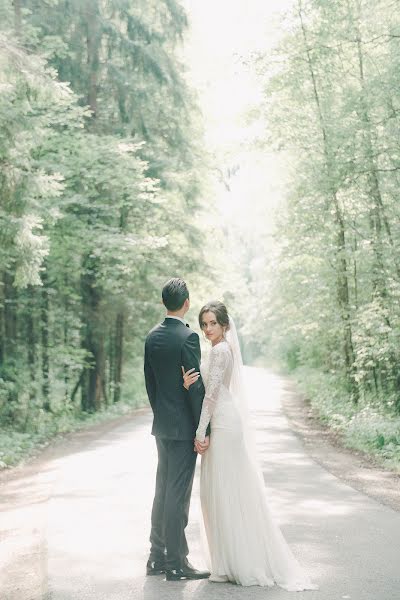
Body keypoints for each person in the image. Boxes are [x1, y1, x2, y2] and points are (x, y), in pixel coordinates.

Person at [182, 300, 318, 590]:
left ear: (225, 325)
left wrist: (200, 431)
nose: (207, 329)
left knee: (225, 489)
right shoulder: (220, 349)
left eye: (212, 324)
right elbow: (207, 390)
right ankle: (230, 559)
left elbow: (211, 396)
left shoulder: (220, 351)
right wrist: (190, 386)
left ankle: (240, 561)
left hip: (222, 423)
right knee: (224, 488)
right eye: (204, 324)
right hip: (223, 419)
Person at [144, 278, 210, 581]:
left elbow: (151, 385)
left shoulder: (152, 337)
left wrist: (162, 413)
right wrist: (202, 429)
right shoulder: (188, 337)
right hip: (183, 427)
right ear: (186, 303)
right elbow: (194, 387)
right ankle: (176, 563)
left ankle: (156, 557)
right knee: (177, 495)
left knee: (162, 490)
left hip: (162, 426)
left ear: (164, 303)